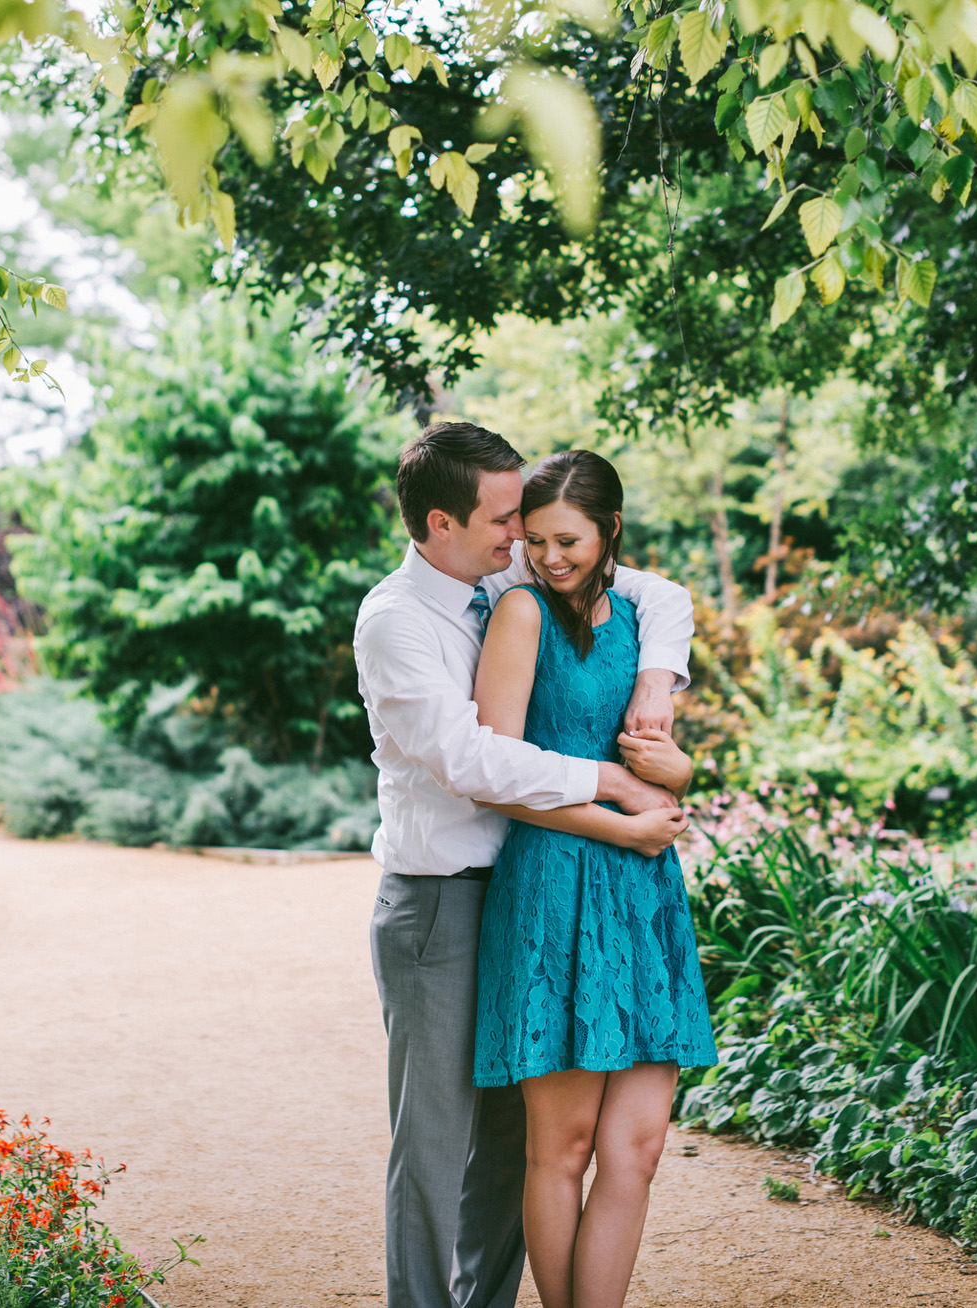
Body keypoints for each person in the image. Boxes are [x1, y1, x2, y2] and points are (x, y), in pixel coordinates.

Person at [353, 423, 695, 1308]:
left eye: (535, 526)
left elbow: (652, 590)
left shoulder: (502, 576)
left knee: (513, 1148)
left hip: (519, 889)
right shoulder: (398, 622)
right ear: (442, 522)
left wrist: (660, 676)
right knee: (434, 1145)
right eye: (508, 519)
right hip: (439, 903)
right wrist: (613, 783)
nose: (524, 537)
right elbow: (475, 762)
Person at [471, 450, 718, 1308]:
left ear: (611, 529)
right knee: (563, 1150)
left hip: (642, 891)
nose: (549, 556)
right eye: (535, 540)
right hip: (554, 881)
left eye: (567, 539)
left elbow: (660, 768)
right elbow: (501, 774)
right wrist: (627, 821)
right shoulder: (519, 613)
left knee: (638, 1149)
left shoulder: (642, 620)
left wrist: (679, 775)